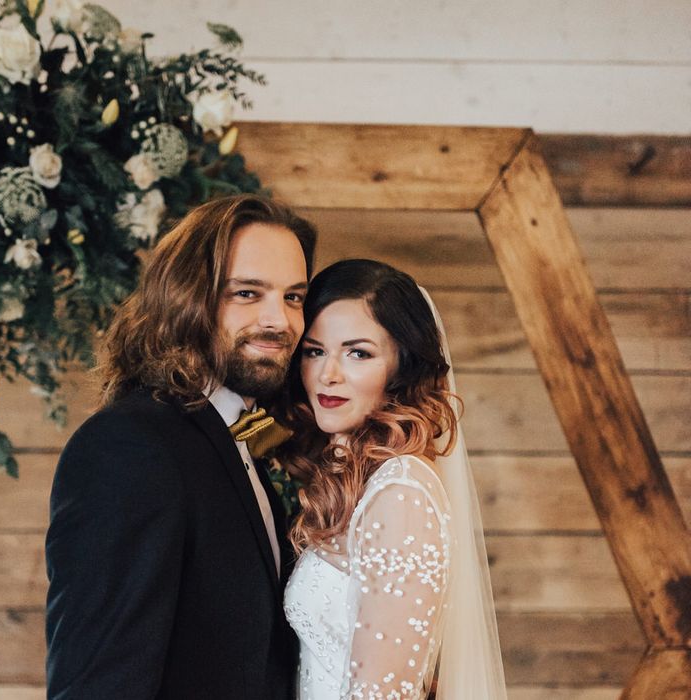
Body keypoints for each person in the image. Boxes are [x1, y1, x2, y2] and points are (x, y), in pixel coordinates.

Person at [45, 194, 317, 699]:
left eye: (294, 297)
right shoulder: (128, 447)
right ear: (186, 296)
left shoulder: (234, 441)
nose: (280, 321)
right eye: (247, 293)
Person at [280, 259, 507, 699]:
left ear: (400, 367)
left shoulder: (400, 492)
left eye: (358, 353)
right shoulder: (361, 481)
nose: (329, 374)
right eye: (315, 351)